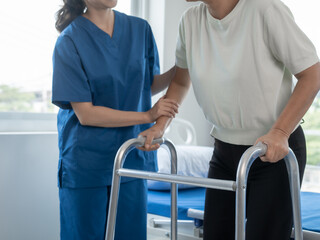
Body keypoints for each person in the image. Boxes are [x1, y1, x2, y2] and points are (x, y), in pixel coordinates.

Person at [139, 0, 320, 239]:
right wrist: (161, 126)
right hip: (224, 152)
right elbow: (181, 81)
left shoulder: (265, 10)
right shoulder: (190, 21)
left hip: (273, 150)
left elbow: (312, 74)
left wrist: (280, 133)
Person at [52, 0, 179, 239]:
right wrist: (148, 116)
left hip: (131, 157)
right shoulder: (69, 41)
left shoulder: (140, 29)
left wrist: (181, 68)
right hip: (87, 164)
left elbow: (146, 84)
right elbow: (86, 114)